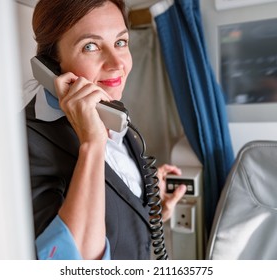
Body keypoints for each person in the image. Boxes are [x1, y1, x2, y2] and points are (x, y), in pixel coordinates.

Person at [24, 0, 186, 260]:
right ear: (52, 63)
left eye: (121, 42)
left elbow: (116, 217)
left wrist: (152, 210)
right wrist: (91, 144)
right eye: (91, 46)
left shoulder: (113, 112)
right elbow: (67, 262)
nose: (116, 63)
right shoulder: (24, 144)